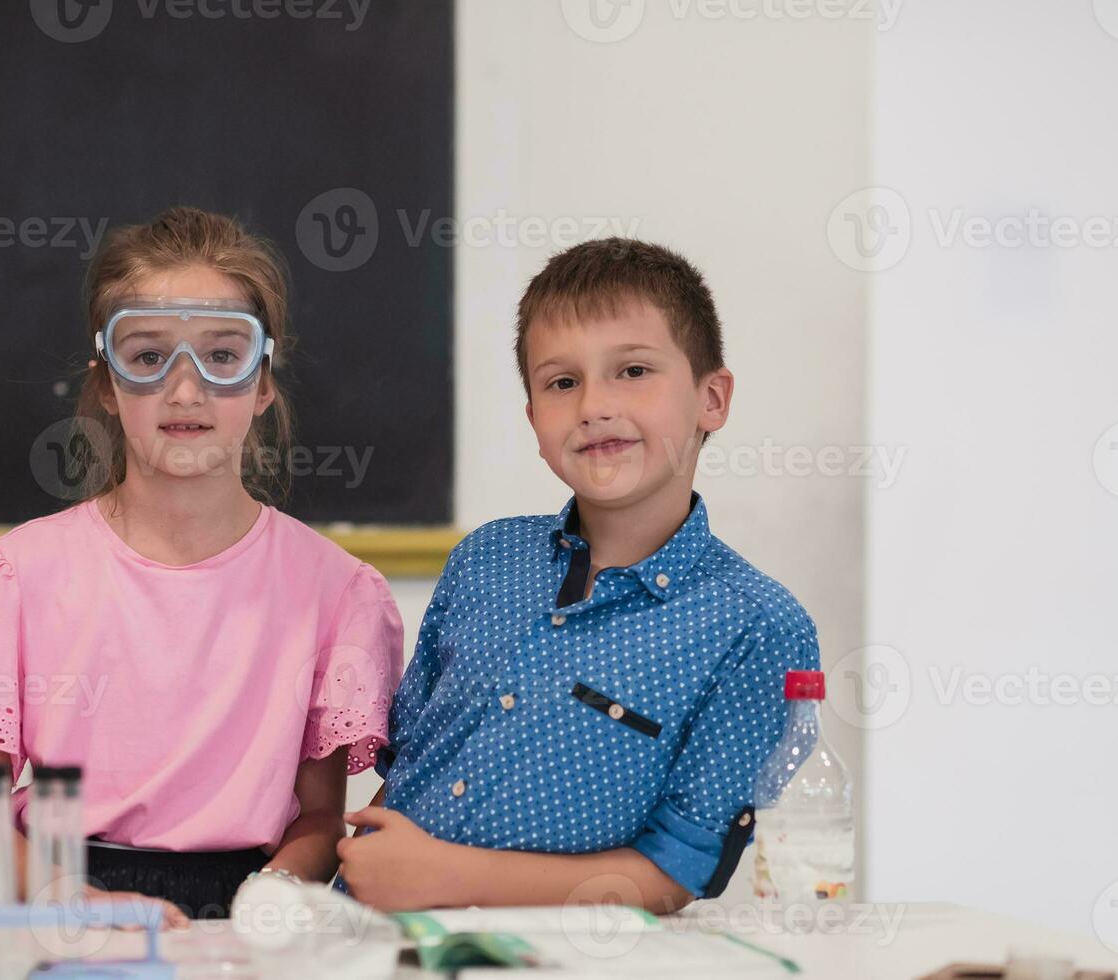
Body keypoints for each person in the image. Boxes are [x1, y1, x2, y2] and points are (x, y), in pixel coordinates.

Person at [0, 207, 404, 921]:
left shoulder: (336, 594)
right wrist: (74, 904)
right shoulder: (15, 578)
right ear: (107, 386)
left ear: (264, 381)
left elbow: (316, 819)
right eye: (148, 357)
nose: (186, 391)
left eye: (222, 356)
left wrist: (269, 900)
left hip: (250, 913)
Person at [336, 237, 819, 913]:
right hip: (368, 941)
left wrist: (445, 877)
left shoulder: (753, 626)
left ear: (711, 398)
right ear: (533, 417)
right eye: (562, 382)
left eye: (632, 371)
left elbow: (676, 873)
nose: (594, 404)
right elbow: (414, 765)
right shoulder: (484, 560)